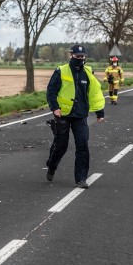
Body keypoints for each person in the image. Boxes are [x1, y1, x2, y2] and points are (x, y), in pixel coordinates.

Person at [45, 44, 105, 189]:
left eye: (82, 56)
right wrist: (55, 108)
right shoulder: (61, 71)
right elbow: (51, 91)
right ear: (70, 55)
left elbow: (94, 94)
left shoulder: (88, 73)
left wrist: (99, 112)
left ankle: (81, 179)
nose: (80, 59)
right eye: (77, 56)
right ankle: (52, 165)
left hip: (80, 115)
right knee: (61, 146)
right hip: (63, 114)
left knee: (83, 145)